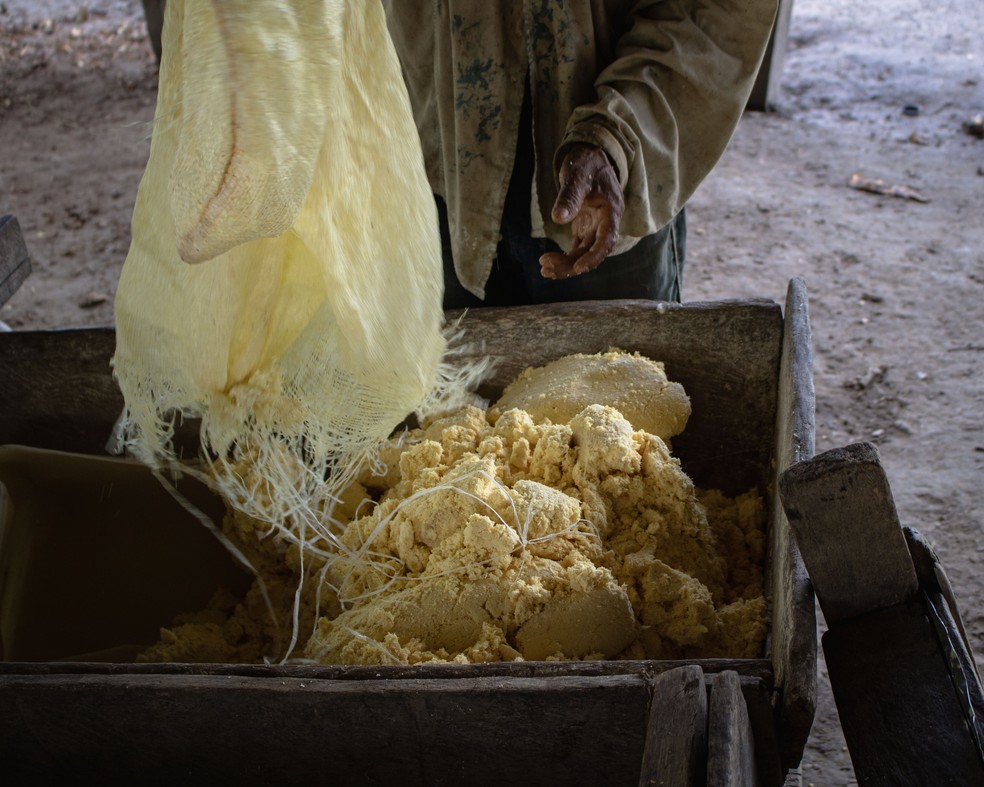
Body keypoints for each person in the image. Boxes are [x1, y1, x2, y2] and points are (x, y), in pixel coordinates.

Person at [382, 1, 779, 309]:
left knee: (623, 394)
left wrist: (614, 134)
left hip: (610, 187)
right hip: (438, 172)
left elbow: (709, 17)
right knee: (452, 398)